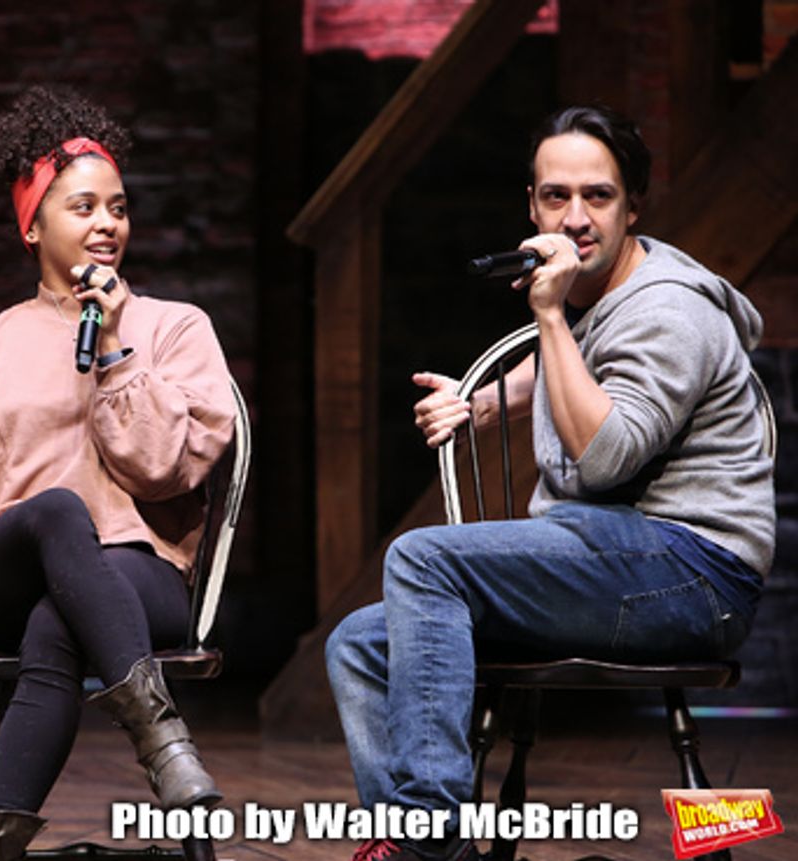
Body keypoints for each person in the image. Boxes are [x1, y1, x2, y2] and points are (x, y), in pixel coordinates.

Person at [324, 105, 774, 861]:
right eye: (555, 197)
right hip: (610, 559)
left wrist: (549, 313)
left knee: (422, 558)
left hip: (693, 574)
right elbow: (566, 372)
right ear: (529, 205)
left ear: (634, 205)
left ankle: (426, 835)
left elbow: (604, 456)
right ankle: (445, 847)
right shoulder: (600, 296)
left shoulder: (667, 310)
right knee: (361, 643)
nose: (574, 218)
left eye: (597, 196)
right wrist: (481, 407)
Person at [0, 85, 236, 860]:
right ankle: (163, 743)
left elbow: (166, 469)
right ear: (31, 225)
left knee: (56, 625)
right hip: (6, 575)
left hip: (141, 575)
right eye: (82, 207)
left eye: (119, 207)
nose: (106, 224)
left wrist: (116, 354)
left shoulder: (175, 329)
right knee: (58, 510)